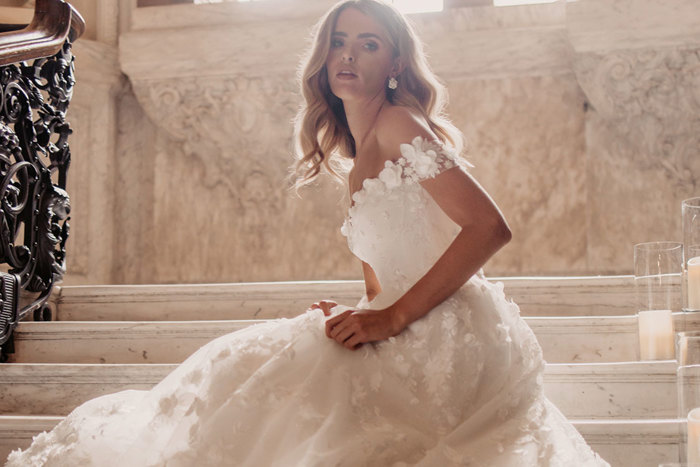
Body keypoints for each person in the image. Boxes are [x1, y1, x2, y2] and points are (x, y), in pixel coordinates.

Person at [7, 1, 610, 465]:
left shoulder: (401, 124)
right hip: (406, 316)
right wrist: (365, 308)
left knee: (278, 380)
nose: (348, 55)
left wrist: (391, 318)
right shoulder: (360, 153)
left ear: (395, 63)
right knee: (253, 369)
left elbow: (489, 228)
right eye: (339, 42)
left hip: (446, 329)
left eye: (368, 44)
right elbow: (382, 273)